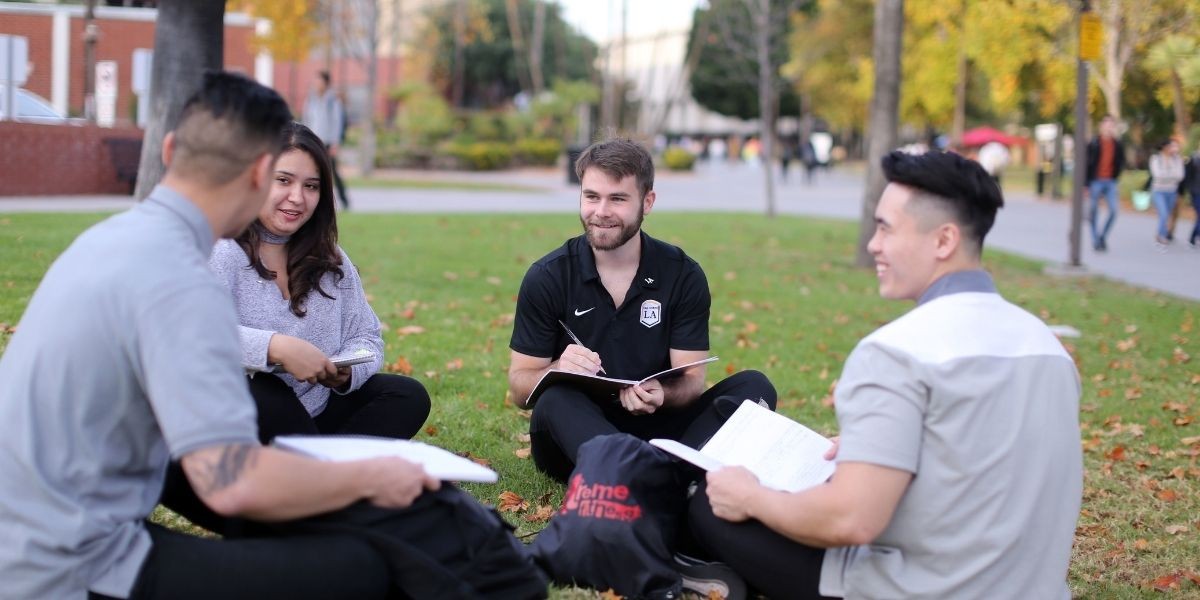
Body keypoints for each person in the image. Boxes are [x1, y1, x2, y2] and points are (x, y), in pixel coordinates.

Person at [0, 71, 544, 599]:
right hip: (65, 566)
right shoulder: (183, 281)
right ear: (262, 175)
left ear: (168, 151)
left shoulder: (111, 240)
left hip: (43, 532)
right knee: (364, 569)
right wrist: (373, 475)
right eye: (283, 179)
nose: (295, 196)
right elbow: (231, 482)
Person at [687, 150, 1083, 599]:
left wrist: (750, 496)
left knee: (708, 502)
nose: (873, 244)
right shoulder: (1048, 346)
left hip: (922, 588)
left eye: (886, 228)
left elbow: (850, 520)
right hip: (1033, 587)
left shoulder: (896, 352)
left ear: (944, 240)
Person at [507, 137, 777, 483]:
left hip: (659, 428)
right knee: (554, 400)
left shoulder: (682, 273)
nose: (601, 212)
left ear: (647, 202)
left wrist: (663, 394)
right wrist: (558, 367)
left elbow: (691, 380)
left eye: (617, 199)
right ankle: (664, 474)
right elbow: (519, 387)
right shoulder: (549, 276)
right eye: (591, 197)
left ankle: (652, 474)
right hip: (575, 434)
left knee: (754, 387)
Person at [212, 121, 428, 443]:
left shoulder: (330, 258)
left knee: (406, 395)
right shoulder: (220, 250)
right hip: (241, 419)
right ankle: (322, 475)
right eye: (283, 180)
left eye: (311, 186)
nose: (297, 198)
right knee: (261, 388)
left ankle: (317, 474)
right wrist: (276, 348)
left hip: (317, 411)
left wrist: (347, 374)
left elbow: (367, 336)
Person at [303, 70, 351, 210]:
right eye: (315, 80)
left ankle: (343, 200)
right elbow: (307, 119)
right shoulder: (311, 99)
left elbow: (338, 122)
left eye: (319, 80)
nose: (316, 83)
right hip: (313, 140)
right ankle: (318, 201)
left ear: (326, 83)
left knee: (332, 172)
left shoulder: (333, 100)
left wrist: (336, 143)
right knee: (312, 171)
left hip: (328, 142)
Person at [1085, 115, 1126, 251]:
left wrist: (1117, 175)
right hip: (1096, 180)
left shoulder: (1117, 144)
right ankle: (1095, 239)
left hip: (1110, 181)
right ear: (1101, 126)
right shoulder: (1094, 143)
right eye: (1106, 124)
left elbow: (1120, 162)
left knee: (1114, 211)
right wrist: (1086, 184)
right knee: (1093, 211)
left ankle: (1102, 236)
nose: (1109, 127)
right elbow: (1086, 163)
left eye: (1111, 125)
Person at [1150, 138, 1185, 247]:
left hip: (1171, 191)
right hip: (1158, 191)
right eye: (1170, 146)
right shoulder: (1156, 159)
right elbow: (1157, 175)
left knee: (1167, 215)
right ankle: (1162, 236)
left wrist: (1167, 175)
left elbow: (1180, 176)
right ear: (1164, 147)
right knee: (1164, 214)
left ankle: (1160, 234)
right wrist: (1171, 176)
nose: (1172, 149)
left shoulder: (1177, 160)